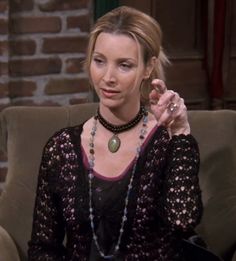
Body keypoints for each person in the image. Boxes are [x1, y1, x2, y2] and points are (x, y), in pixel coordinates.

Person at [28, 6, 203, 260]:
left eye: (124, 65)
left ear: (147, 68)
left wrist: (180, 132)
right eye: (99, 61)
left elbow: (183, 221)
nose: (107, 77)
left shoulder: (168, 143)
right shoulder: (61, 147)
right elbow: (43, 248)